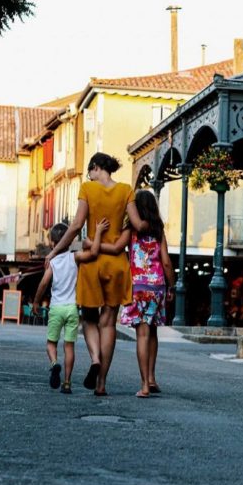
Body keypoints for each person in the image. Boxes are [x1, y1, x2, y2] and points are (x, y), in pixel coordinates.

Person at [46, 152, 148, 396]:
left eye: (90, 170)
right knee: (109, 322)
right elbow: (137, 223)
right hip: (117, 265)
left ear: (95, 168)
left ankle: (94, 360)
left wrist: (56, 252)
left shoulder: (87, 189)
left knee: (90, 319)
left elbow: (75, 226)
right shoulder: (125, 191)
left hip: (93, 263)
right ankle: (101, 384)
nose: (89, 175)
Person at [34, 219, 109, 394]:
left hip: (56, 308)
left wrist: (37, 301)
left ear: (53, 243)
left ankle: (54, 364)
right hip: (72, 309)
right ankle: (67, 383)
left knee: (51, 343)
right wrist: (97, 232)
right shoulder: (74, 257)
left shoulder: (52, 262)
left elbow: (44, 283)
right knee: (69, 347)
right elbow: (94, 253)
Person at [117, 190, 175, 398]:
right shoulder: (158, 229)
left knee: (142, 334)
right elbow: (166, 261)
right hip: (157, 287)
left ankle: (143, 386)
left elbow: (119, 250)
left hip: (138, 287)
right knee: (153, 332)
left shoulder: (131, 230)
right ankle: (151, 378)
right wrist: (172, 285)